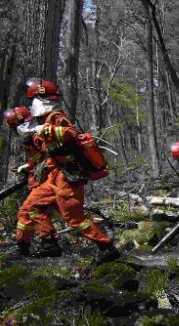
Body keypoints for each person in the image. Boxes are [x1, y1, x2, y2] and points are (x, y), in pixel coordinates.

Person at [16, 79, 121, 263]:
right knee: (32, 205)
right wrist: (30, 158)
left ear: (42, 100)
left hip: (68, 175)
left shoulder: (55, 117)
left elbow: (70, 133)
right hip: (54, 175)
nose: (31, 105)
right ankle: (49, 244)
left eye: (33, 100)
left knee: (74, 217)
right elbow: (46, 151)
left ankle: (106, 246)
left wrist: (45, 129)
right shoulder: (46, 119)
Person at [4, 106, 60, 257]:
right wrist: (25, 167)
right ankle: (24, 248)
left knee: (31, 209)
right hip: (41, 181)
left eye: (15, 127)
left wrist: (41, 171)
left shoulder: (38, 136)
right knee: (28, 213)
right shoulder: (30, 139)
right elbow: (37, 159)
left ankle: (49, 243)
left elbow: (51, 158)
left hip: (51, 180)